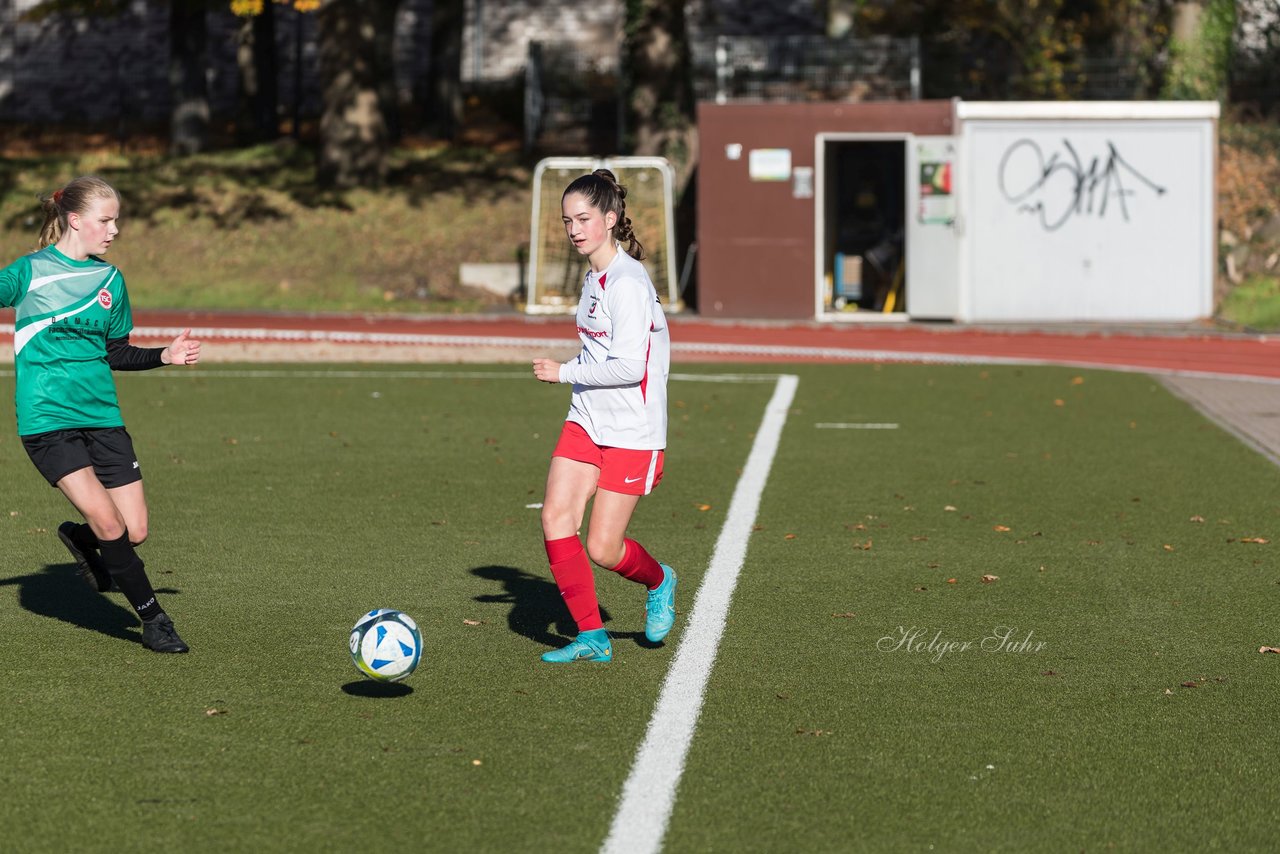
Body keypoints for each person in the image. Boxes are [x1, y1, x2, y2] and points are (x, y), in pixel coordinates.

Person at [0, 175, 201, 653]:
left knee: (134, 531)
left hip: (103, 418)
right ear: (75, 220)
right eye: (105, 220)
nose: (114, 230)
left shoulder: (110, 280)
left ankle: (79, 538)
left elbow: (116, 352)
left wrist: (163, 356)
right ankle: (154, 621)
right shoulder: (29, 272)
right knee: (112, 526)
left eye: (116, 221)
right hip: (48, 421)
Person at [531, 169, 676, 663]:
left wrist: (564, 371)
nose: (574, 229)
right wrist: (575, 379)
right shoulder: (594, 277)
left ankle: (660, 580)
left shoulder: (629, 284)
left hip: (632, 429)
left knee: (603, 548)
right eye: (567, 220)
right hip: (588, 418)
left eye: (584, 218)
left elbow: (632, 366)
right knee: (555, 517)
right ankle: (592, 636)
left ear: (610, 219)